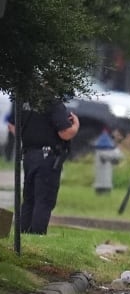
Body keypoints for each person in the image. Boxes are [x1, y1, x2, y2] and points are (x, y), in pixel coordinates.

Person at [12, 91, 80, 234]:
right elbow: (65, 133)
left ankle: (23, 231)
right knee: (44, 199)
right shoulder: (53, 102)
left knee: (29, 198)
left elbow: (13, 126)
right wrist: (75, 125)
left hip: (29, 155)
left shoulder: (25, 100)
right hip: (48, 157)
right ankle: (37, 233)